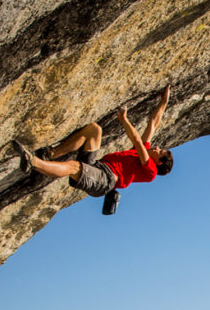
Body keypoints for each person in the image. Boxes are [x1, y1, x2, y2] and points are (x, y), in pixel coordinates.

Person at [12, 85, 173, 215]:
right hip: (98, 165)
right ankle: (49, 154)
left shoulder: (150, 170)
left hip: (105, 179)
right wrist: (164, 101)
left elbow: (137, 140)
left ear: (158, 161)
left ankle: (32, 161)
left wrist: (124, 119)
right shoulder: (143, 151)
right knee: (94, 130)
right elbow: (153, 123)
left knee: (74, 167)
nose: (157, 147)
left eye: (161, 151)